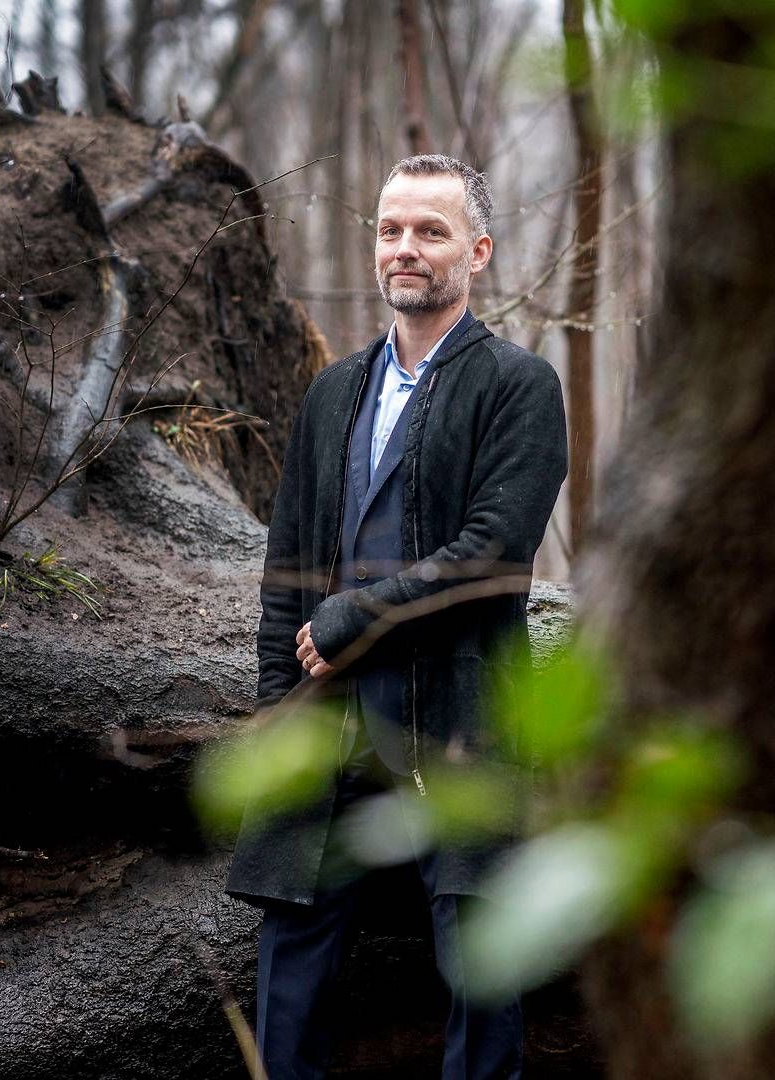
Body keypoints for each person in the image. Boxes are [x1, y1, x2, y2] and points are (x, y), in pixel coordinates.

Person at [224, 154, 568, 1079]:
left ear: (478, 251)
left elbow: (494, 556)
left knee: (480, 993)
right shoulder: (333, 391)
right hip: (327, 733)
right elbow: (286, 572)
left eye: (431, 231)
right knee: (286, 1003)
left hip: (460, 724)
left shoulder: (517, 386)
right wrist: (272, 709)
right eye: (390, 230)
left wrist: (354, 620)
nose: (404, 249)